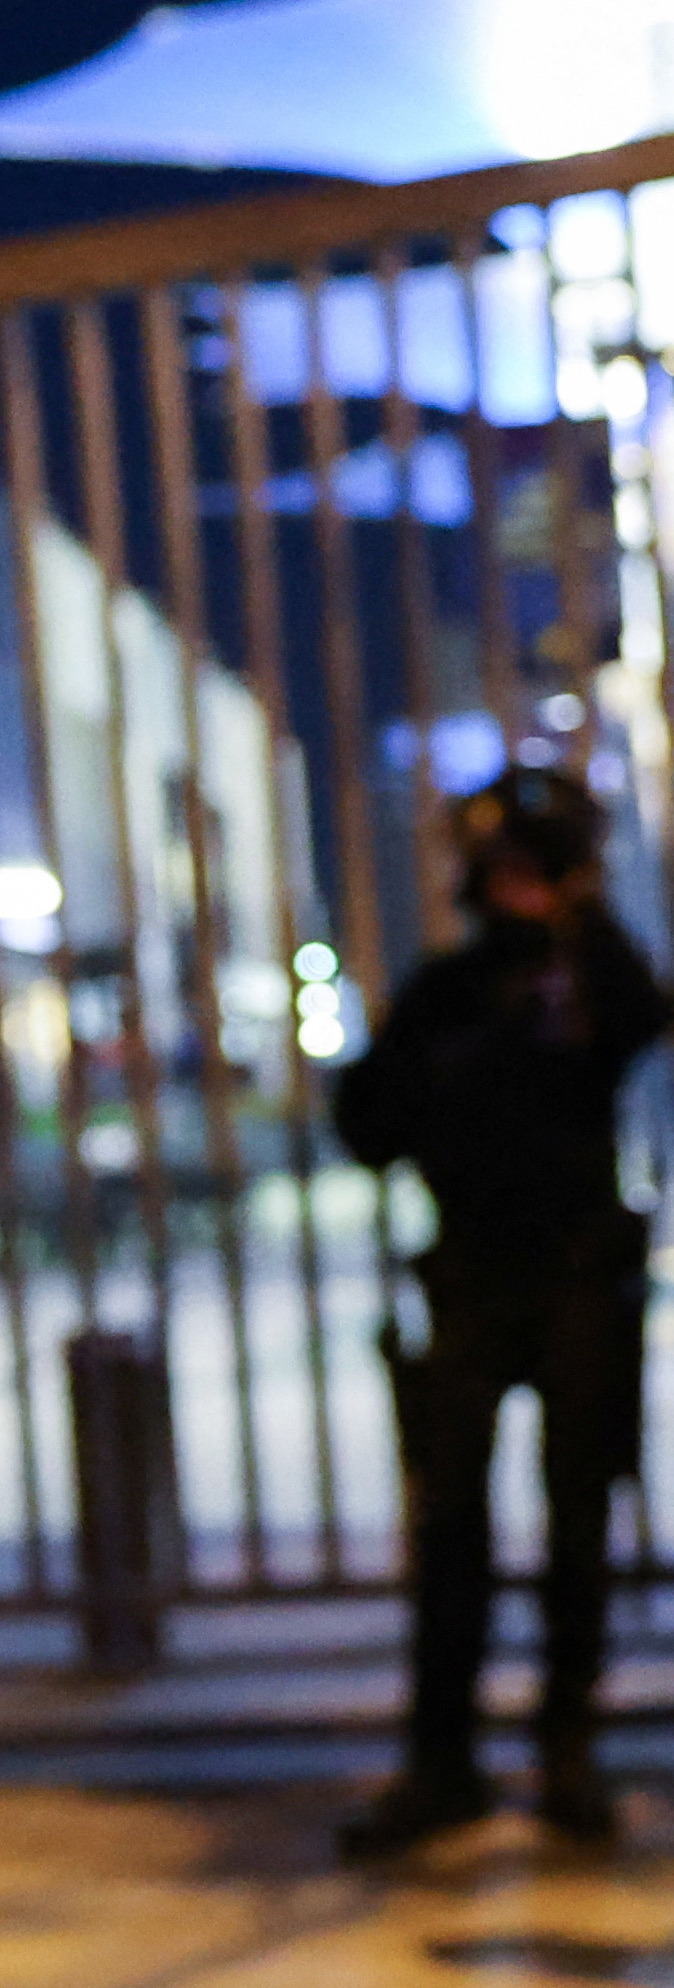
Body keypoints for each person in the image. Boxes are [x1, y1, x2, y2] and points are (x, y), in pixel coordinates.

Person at [334, 766, 667, 1860]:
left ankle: (566, 1747)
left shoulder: (593, 976)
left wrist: (581, 913)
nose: (521, 887)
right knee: (449, 1535)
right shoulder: (448, 989)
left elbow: (638, 1016)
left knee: (579, 1522)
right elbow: (367, 1120)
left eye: (542, 866)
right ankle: (444, 1761)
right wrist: (464, 1058)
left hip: (576, 1278)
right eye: (507, 866)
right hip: (472, 1279)